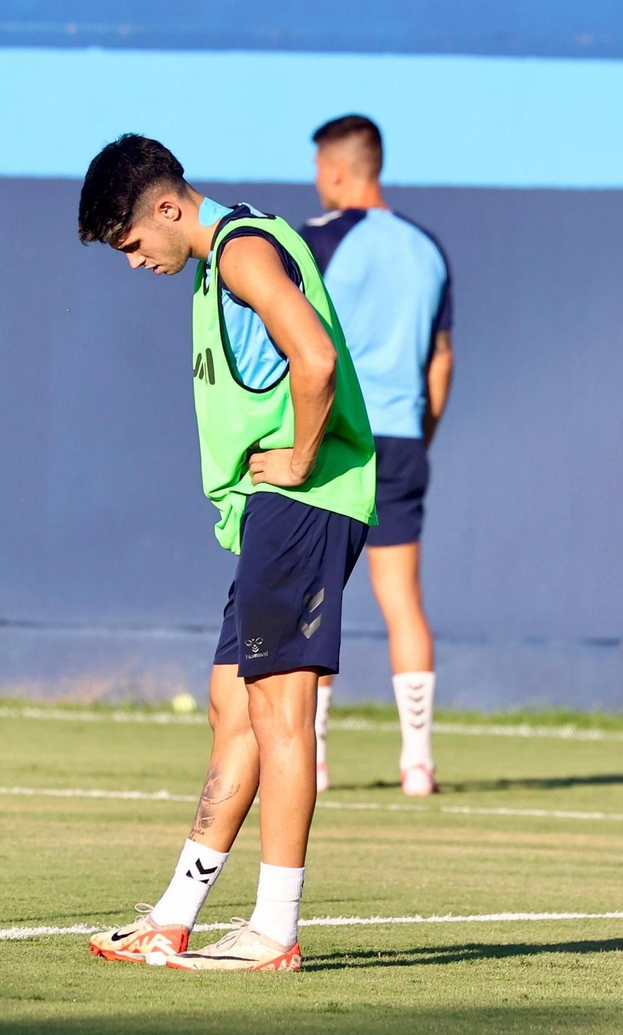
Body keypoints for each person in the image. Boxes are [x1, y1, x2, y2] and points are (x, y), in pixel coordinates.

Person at [76, 134, 376, 972]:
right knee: (230, 707)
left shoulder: (242, 251)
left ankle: (275, 929)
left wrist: (302, 463)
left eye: (132, 243)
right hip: (270, 515)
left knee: (280, 713)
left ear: (169, 208)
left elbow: (313, 356)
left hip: (301, 504)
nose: (133, 261)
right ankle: (174, 915)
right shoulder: (218, 267)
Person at [300, 116, 454, 798]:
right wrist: (422, 435)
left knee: (315, 596)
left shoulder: (318, 240)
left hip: (337, 438)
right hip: (401, 438)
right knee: (403, 602)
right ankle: (417, 764)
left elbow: (304, 349)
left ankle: (315, 761)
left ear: (335, 169)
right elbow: (441, 360)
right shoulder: (428, 249)